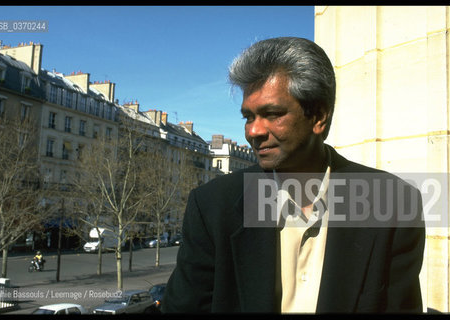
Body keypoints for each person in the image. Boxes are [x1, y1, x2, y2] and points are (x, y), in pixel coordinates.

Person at [162, 37, 425, 313]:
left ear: (319, 116)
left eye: (272, 113)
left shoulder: (394, 203)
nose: (253, 131)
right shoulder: (212, 206)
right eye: (248, 117)